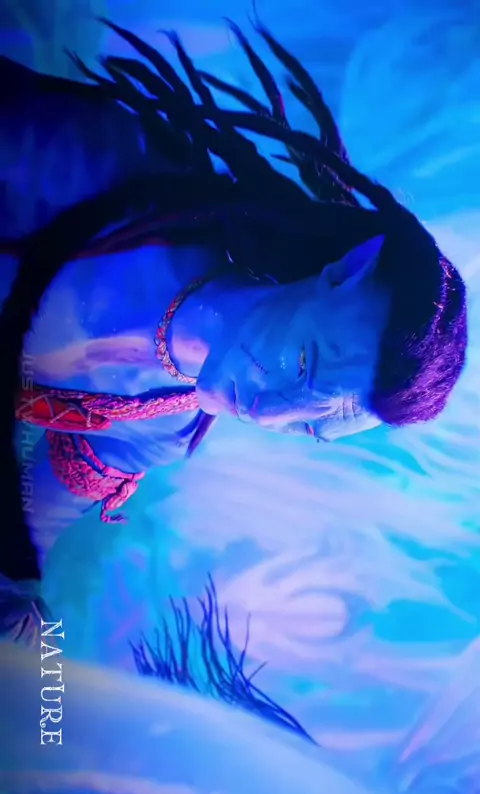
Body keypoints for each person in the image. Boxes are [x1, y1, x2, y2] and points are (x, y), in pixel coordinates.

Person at [0, 20, 468, 641]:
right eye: (305, 364)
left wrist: (18, 596)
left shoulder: (163, 425)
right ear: (342, 272)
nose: (270, 413)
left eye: (308, 426)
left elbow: (30, 525)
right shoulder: (115, 170)